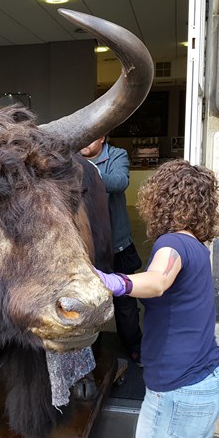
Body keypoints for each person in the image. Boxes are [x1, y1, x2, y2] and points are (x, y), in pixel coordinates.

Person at [95, 159, 219, 438]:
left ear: (159, 199)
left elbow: (157, 282)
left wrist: (111, 281)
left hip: (178, 394)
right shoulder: (196, 245)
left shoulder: (171, 244)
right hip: (209, 385)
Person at [80, 136, 144, 366]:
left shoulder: (116, 155)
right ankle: (87, 353)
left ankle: (135, 346)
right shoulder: (73, 159)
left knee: (125, 301)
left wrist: (84, 172)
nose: (84, 143)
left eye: (90, 138)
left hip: (117, 243)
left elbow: (119, 182)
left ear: (102, 138)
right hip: (86, 246)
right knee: (86, 302)